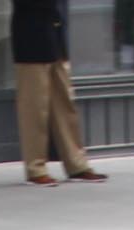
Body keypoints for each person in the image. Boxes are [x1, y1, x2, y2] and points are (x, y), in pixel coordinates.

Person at [11, 0, 108, 185]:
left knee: (65, 105)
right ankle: (35, 169)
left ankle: (77, 165)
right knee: (34, 107)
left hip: (55, 35)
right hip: (31, 36)